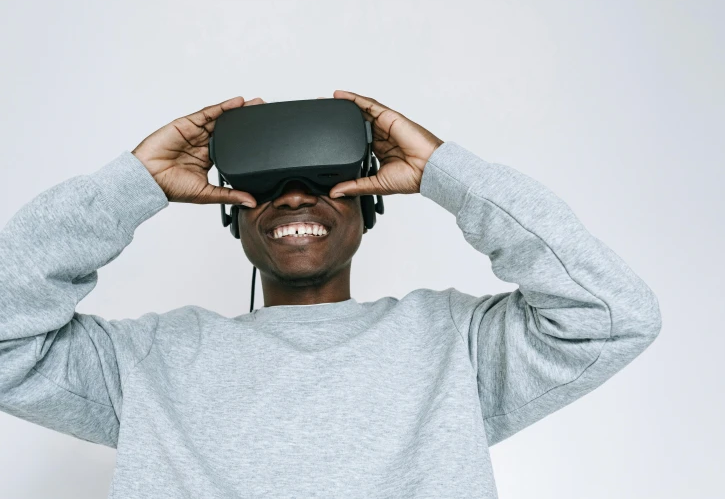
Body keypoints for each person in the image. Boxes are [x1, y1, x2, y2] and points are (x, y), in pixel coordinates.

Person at [0, 90, 662, 498]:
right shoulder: (146, 360)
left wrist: (446, 173)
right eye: (268, 187)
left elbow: (609, 317)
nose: (293, 196)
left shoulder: (454, 344)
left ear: (369, 208)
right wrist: (132, 183)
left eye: (323, 184)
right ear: (229, 213)